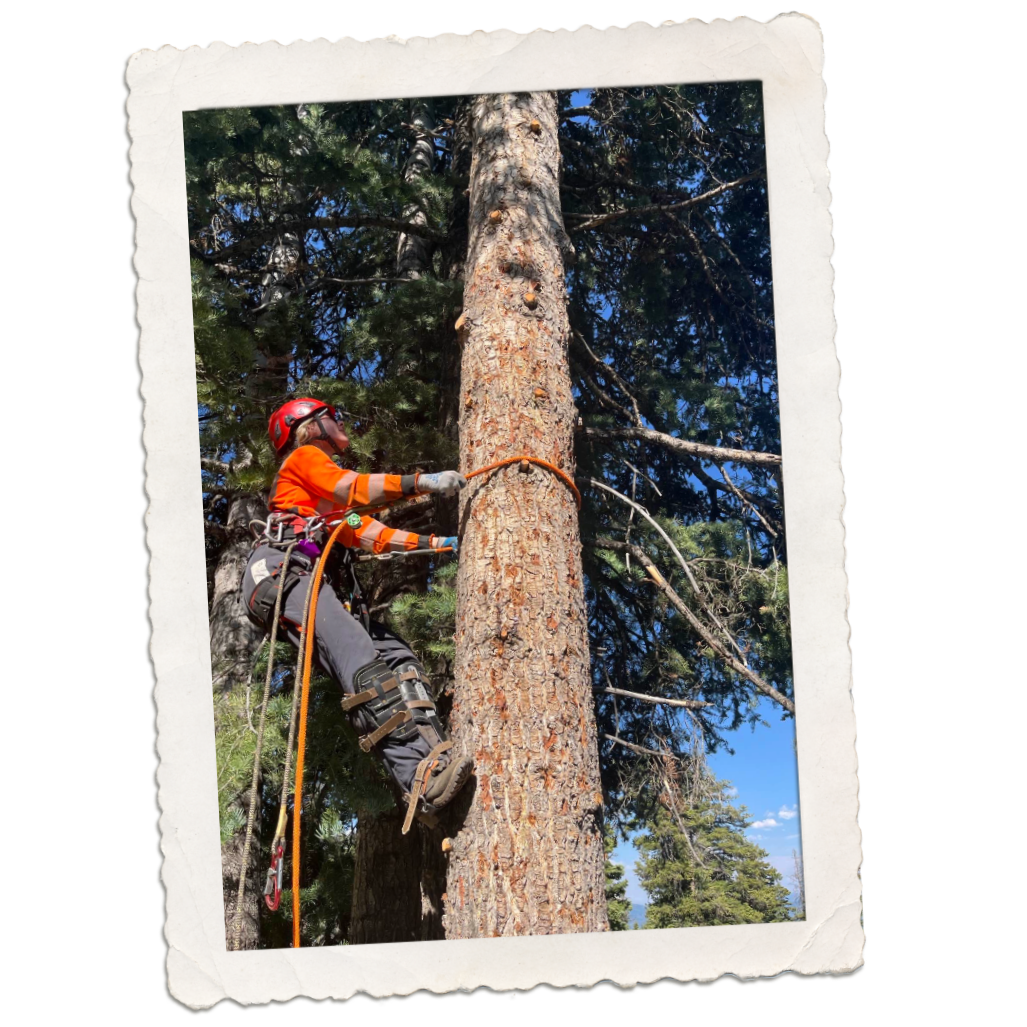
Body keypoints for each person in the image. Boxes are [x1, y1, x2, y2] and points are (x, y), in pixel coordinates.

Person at [242, 397, 472, 829]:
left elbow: (367, 533)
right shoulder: (307, 459)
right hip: (280, 570)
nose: (340, 423)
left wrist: (436, 544)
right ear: (309, 427)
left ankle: (433, 760)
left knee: (397, 657)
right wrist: (423, 482)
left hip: (298, 575)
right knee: (359, 658)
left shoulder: (324, 506)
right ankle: (418, 778)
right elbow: (354, 488)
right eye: (333, 417)